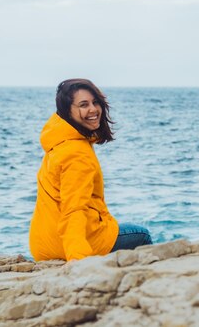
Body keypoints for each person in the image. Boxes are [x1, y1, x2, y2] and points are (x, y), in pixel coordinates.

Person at [29, 78, 152, 262]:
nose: (93, 109)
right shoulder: (77, 154)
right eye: (83, 105)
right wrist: (79, 261)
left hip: (42, 244)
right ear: (67, 111)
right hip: (65, 245)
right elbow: (74, 209)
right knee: (141, 234)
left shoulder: (59, 142)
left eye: (95, 102)